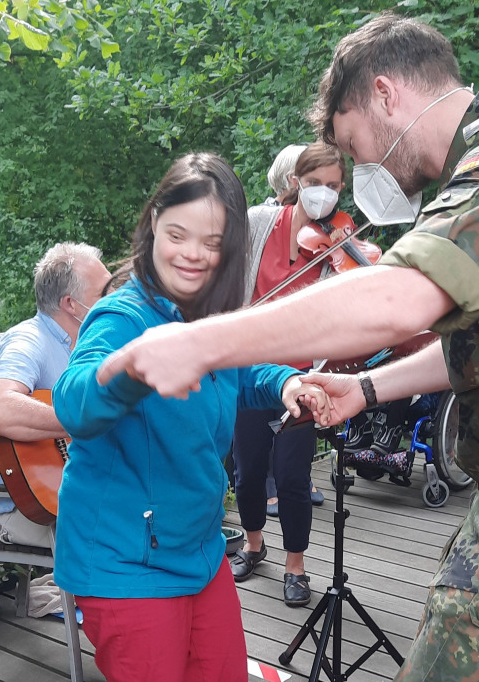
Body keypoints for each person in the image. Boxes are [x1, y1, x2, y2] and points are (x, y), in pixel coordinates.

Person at [95, 14, 479, 682]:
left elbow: (398, 299)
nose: (360, 170)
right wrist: (367, 388)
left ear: (386, 96)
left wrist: (201, 340)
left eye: (354, 144)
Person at [50, 153, 329, 682]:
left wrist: (287, 382)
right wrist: (131, 367)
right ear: (154, 222)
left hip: (200, 552)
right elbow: (74, 404)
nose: (193, 255)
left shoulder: (208, 315)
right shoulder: (122, 316)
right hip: (126, 565)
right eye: (178, 234)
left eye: (213, 241)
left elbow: (241, 371)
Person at [232, 142, 352, 607]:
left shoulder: (339, 240)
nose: (324, 193)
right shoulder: (259, 223)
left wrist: (347, 272)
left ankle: (295, 565)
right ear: (295, 183)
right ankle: (254, 544)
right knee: (247, 470)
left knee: (292, 474)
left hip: (303, 376)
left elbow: (340, 317)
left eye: (334, 186)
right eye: (315, 183)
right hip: (248, 367)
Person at [0, 242, 110, 548]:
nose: (113, 300)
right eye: (104, 293)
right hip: (27, 509)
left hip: (81, 492)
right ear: (71, 304)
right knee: (131, 536)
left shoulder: (90, 345)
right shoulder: (28, 341)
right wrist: (81, 422)